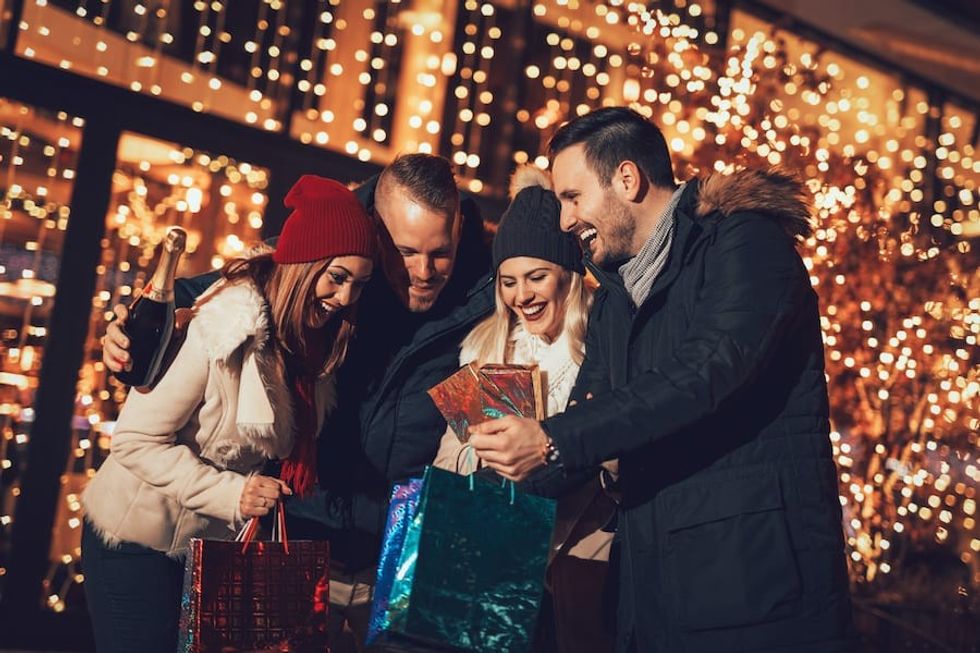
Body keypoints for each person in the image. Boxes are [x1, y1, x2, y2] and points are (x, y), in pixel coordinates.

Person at [469, 107, 856, 652]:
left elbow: (707, 370)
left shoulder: (745, 246)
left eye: (573, 197)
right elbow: (587, 429)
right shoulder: (615, 301)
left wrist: (552, 438)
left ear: (626, 180)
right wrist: (478, 495)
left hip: (755, 591)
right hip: (653, 596)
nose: (564, 220)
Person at [100, 154, 494, 650]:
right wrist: (127, 334)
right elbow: (241, 288)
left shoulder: (483, 293)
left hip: (397, 557)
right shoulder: (337, 251)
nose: (422, 271)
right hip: (297, 539)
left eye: (441, 252)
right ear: (374, 229)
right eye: (404, 252)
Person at [82, 175, 377, 653]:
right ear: (303, 264)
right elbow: (134, 440)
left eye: (358, 285)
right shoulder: (221, 326)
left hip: (204, 547)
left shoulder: (311, 349)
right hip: (135, 541)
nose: (344, 297)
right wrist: (235, 493)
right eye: (336, 277)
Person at [432, 165, 615, 653]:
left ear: (570, 277)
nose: (521, 296)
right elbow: (447, 461)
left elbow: (623, 446)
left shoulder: (604, 350)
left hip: (581, 559)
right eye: (508, 281)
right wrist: (479, 451)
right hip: (495, 561)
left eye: (536, 277)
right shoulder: (486, 349)